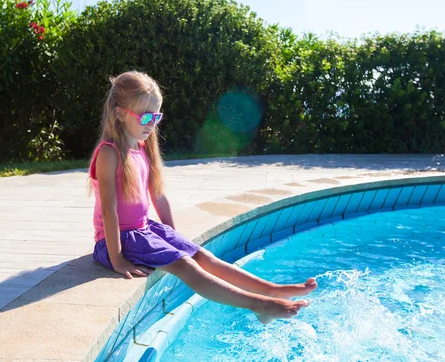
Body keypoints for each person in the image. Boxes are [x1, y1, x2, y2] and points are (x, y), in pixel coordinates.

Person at [89, 71, 317, 324]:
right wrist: (117, 260)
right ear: (120, 113)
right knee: (187, 267)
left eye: (157, 116)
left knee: (201, 256)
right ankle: (259, 304)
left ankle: (270, 289)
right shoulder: (109, 154)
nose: (152, 124)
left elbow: (158, 196)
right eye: (145, 116)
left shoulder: (142, 148)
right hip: (118, 239)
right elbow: (110, 211)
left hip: (143, 230)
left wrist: (172, 236)